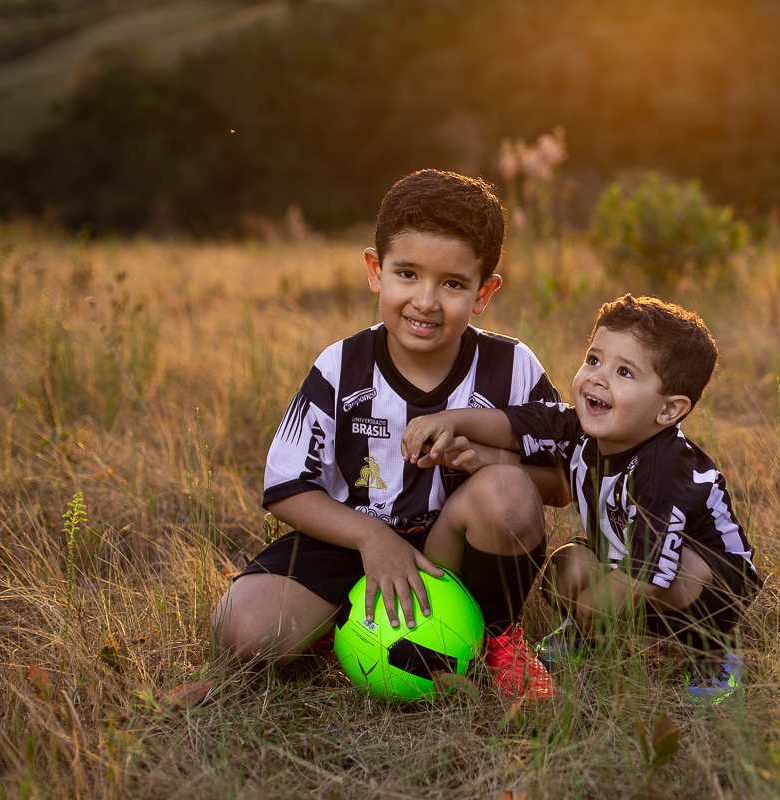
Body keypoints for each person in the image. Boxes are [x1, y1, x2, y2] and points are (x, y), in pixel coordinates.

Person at [211, 170, 568, 702]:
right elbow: (285, 488)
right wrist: (371, 538)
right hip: (350, 544)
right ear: (376, 271)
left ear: (483, 293)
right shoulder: (341, 366)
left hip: (453, 552)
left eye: (452, 283)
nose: (425, 301)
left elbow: (562, 483)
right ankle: (349, 628)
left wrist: (492, 459)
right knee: (242, 630)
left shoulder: (512, 367)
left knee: (507, 492)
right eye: (407, 273)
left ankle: (497, 639)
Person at [400, 294, 762, 705]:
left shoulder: (666, 473)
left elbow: (649, 572)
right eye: (594, 359)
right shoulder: (579, 429)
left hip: (709, 589)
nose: (597, 378)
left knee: (680, 575)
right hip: (628, 564)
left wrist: (594, 607)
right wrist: (452, 424)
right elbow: (515, 423)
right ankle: (590, 636)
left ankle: (713, 652)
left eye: (624, 372)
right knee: (566, 567)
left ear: (668, 410)